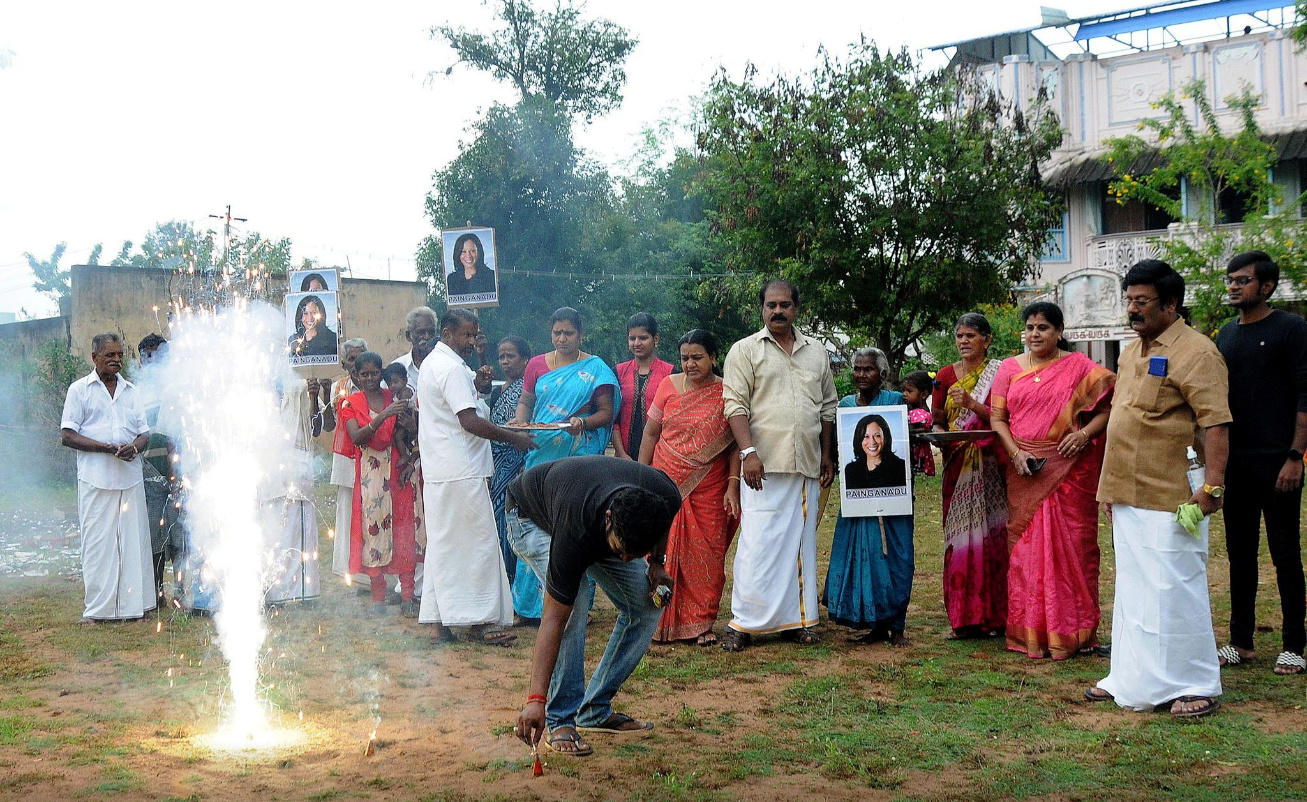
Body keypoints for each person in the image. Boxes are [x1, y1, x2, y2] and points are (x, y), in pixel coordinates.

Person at [1087, 259, 1231, 718]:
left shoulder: (1198, 351)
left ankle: (1195, 682)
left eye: (1142, 301)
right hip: (1127, 492)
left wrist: (1212, 488)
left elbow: (1215, 425)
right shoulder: (1132, 352)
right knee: (1134, 588)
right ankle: (1131, 677)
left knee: (1175, 586)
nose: (1132, 309)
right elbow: (1127, 420)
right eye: (1128, 300)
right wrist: (1110, 489)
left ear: (1170, 304)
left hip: (1175, 493)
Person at [509, 455, 681, 757]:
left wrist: (656, 562)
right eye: (620, 551)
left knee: (646, 604)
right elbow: (553, 619)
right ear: (609, 519)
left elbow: (662, 522)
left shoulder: (663, 495)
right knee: (574, 606)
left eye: (633, 554)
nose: (625, 561)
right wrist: (536, 699)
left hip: (593, 516)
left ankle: (594, 710)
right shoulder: (575, 528)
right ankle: (561, 720)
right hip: (529, 517)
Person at [989, 302, 1115, 660]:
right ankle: (1031, 633)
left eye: (1043, 327)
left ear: (1059, 331)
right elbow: (999, 419)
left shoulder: (1078, 367)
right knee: (1026, 552)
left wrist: (1086, 434)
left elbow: (1109, 407)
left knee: (1074, 549)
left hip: (1069, 470)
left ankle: (1075, 633)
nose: (1035, 334)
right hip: (1024, 467)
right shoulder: (1009, 369)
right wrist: (1015, 454)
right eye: (1029, 328)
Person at [720, 279, 838, 651]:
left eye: (785, 305)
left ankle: (797, 621)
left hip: (806, 464)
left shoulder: (816, 352)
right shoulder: (744, 351)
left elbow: (827, 408)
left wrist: (828, 455)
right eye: (771, 305)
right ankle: (743, 623)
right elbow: (734, 405)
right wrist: (748, 453)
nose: (778, 311)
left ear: (796, 308)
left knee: (800, 545)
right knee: (757, 543)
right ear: (762, 309)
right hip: (762, 467)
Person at [417, 310, 535, 643]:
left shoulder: (436, 363)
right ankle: (482, 623)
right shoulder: (450, 368)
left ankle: (439, 621)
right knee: (477, 545)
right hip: (460, 469)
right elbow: (469, 421)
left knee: (445, 545)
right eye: (466, 335)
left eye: (475, 335)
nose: (472, 342)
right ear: (447, 333)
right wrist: (514, 437)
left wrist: (477, 385)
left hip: (444, 469)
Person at [1215, 251, 1307, 676]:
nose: (1233, 286)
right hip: (1237, 462)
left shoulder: (1291, 329)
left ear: (1266, 286)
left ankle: (1294, 645)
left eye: (1243, 280)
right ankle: (1241, 641)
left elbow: (1305, 396)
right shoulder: (1225, 335)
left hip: (1279, 461)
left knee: (1284, 552)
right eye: (1230, 280)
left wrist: (1295, 456)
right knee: (1240, 553)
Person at [639, 329, 740, 647]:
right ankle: (657, 620)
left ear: (713, 356)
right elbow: (651, 434)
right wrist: (642, 476)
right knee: (659, 553)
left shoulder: (727, 392)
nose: (690, 364)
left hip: (709, 486)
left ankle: (701, 623)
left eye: (698, 357)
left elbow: (736, 444)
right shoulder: (667, 386)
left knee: (707, 555)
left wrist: (732, 485)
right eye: (685, 358)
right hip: (665, 482)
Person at [60, 333, 154, 623]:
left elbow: (144, 433)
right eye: (109, 355)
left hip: (129, 477)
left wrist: (135, 447)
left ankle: (133, 608)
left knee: (131, 544)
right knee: (98, 545)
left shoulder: (132, 392)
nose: (116, 360)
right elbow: (67, 435)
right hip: (95, 479)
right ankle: (97, 611)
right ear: (94, 358)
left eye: (119, 355)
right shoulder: (79, 390)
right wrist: (104, 448)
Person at [823, 350, 914, 645]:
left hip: (895, 497)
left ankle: (897, 626)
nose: (862, 375)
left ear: (882, 374)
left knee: (899, 558)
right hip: (857, 498)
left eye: (868, 370)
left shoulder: (895, 402)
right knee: (867, 557)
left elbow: (907, 437)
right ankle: (875, 623)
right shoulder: (846, 405)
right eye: (858, 369)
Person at [931, 312, 1009, 640]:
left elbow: (1007, 417)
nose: (964, 341)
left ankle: (995, 617)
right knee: (959, 540)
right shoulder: (946, 376)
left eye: (971, 336)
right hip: (957, 464)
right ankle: (963, 619)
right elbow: (936, 419)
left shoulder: (1002, 373)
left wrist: (974, 405)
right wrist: (937, 435)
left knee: (993, 540)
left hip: (991, 467)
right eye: (960, 336)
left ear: (986, 340)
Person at [340, 352, 421, 617]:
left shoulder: (396, 396)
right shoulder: (350, 403)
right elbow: (358, 437)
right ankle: (378, 599)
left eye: (375, 373)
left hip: (397, 473)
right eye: (364, 374)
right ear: (356, 375)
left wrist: (409, 425)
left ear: (381, 373)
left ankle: (408, 596)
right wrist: (385, 414)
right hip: (370, 478)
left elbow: (409, 432)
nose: (371, 378)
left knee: (403, 530)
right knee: (373, 532)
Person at [513, 307, 620, 469]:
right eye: (557, 333)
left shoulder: (595, 368)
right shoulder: (535, 364)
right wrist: (520, 427)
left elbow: (606, 413)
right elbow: (525, 403)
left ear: (580, 335)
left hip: (579, 453)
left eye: (568, 333)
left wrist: (582, 422)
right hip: (541, 448)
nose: (562, 339)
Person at [488, 335, 542, 621]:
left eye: (511, 356)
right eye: (502, 357)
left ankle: (521, 594)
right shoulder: (501, 389)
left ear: (525, 358)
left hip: (518, 464)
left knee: (514, 528)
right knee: (499, 527)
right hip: (498, 465)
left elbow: (528, 430)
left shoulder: (528, 389)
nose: (505, 362)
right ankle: (507, 590)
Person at [137, 333, 180, 604]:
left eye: (156, 354)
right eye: (146, 355)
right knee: (155, 534)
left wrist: (177, 472)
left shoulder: (176, 387)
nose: (151, 360)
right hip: (147, 471)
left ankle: (182, 589)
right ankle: (157, 592)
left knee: (178, 534)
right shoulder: (135, 392)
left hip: (175, 468)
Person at [329, 339, 371, 588]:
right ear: (345, 364)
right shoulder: (338, 388)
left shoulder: (378, 382)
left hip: (372, 458)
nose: (357, 364)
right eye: (352, 360)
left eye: (361, 357)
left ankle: (374, 573)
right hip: (346, 458)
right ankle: (351, 572)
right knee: (348, 514)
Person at [613, 313, 675, 460]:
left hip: (660, 456)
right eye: (632, 338)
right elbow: (614, 419)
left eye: (643, 338)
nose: (636, 343)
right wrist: (621, 454)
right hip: (623, 457)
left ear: (656, 339)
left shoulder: (671, 373)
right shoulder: (618, 372)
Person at [843, 414, 908, 489]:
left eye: (877, 436)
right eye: (866, 436)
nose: (872, 442)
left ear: (885, 438)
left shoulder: (900, 467)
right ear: (859, 439)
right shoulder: (851, 470)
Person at [900, 370, 936, 477]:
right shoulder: (910, 409)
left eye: (909, 391)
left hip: (915, 454)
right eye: (903, 390)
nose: (904, 394)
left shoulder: (922, 414)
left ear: (923, 394)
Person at [447, 232, 496, 296]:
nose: (468, 256)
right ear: (458, 254)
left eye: (472, 251)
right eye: (463, 252)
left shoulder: (491, 277)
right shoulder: (451, 279)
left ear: (479, 252)